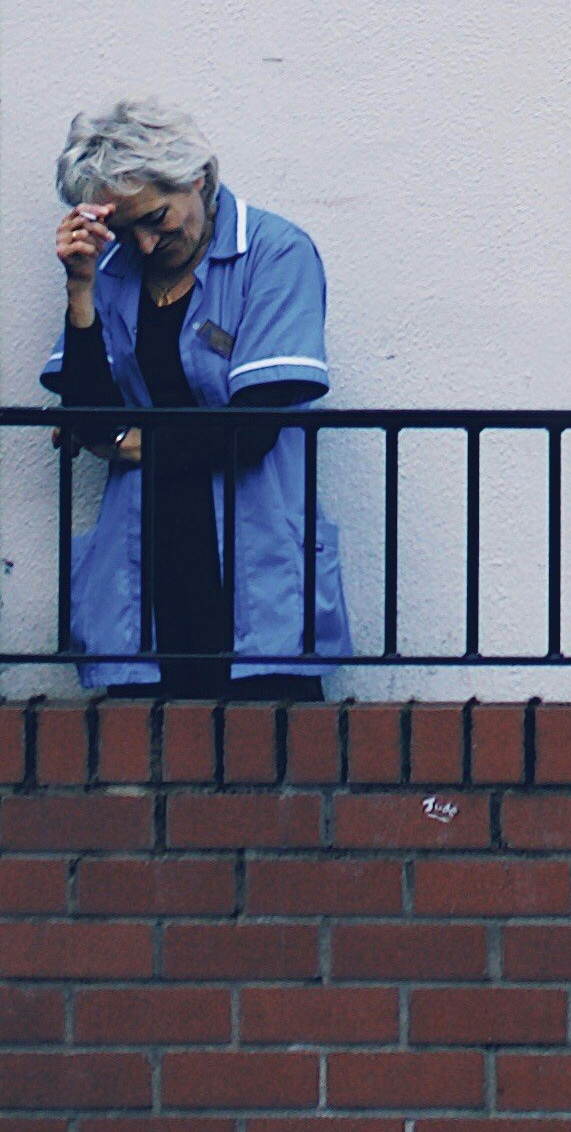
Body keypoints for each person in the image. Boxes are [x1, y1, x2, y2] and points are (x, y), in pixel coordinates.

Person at [43, 99, 348, 696]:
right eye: (127, 229)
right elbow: (91, 414)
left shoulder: (275, 253)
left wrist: (132, 442)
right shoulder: (112, 269)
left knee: (266, 751)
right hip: (143, 560)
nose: (147, 244)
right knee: (143, 753)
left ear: (199, 178)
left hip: (252, 554)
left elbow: (252, 432)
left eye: (156, 217)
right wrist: (80, 290)